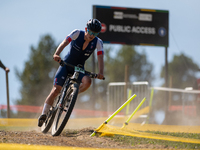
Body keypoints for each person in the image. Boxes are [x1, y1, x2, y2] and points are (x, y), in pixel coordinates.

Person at [38, 19, 104, 127]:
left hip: (79, 68)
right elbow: (64, 43)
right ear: (86, 29)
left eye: (95, 33)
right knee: (55, 90)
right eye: (91, 32)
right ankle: (44, 113)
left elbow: (100, 57)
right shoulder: (77, 33)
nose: (92, 35)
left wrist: (100, 72)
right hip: (66, 65)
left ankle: (72, 94)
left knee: (87, 81)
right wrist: (57, 54)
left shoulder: (98, 42)